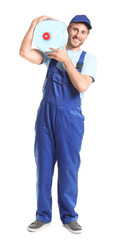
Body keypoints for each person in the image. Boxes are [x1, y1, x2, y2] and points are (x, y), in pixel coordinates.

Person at [19, 14, 97, 234]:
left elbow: (82, 85)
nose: (77, 35)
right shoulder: (51, 52)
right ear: (68, 29)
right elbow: (24, 53)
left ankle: (69, 216)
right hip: (46, 115)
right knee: (43, 165)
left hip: (70, 119)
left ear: (87, 35)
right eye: (75, 30)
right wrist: (33, 25)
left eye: (83, 32)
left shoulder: (88, 59)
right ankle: (43, 216)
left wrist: (66, 60)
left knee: (68, 168)